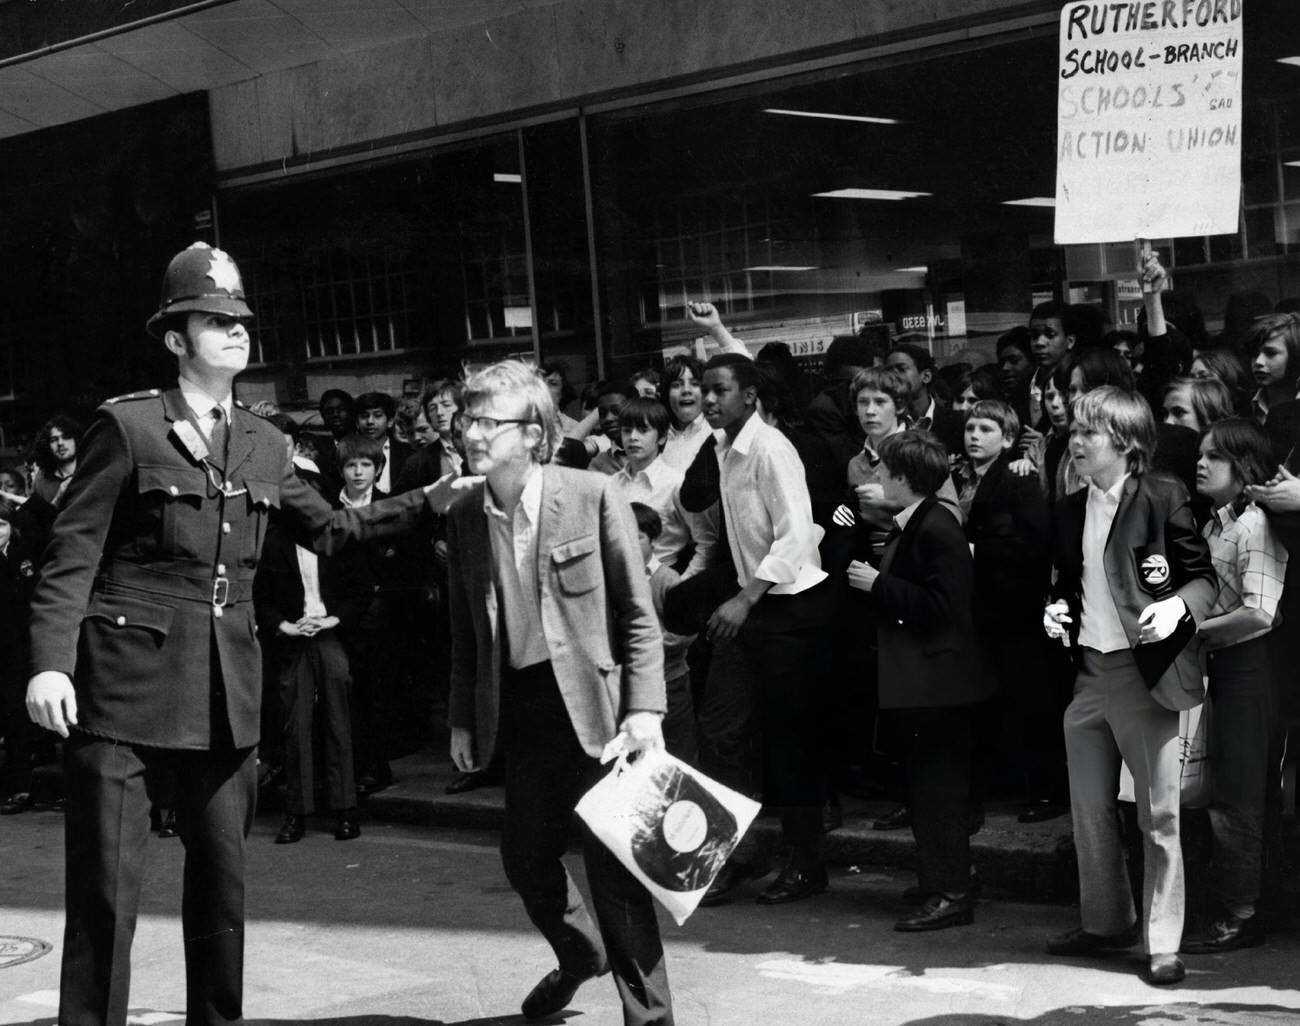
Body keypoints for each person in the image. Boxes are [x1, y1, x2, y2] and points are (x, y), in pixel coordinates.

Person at [20, 242, 459, 1026]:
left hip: (226, 686)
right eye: (214, 319)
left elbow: (327, 530)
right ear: (174, 338)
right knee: (107, 890)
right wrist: (51, 666)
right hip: (124, 682)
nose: (235, 330)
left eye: (241, 319)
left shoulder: (263, 441)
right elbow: (72, 553)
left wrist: (428, 500)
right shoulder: (127, 429)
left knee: (222, 882)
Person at [445, 360, 672, 1025]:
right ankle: (580, 956)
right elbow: (464, 634)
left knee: (618, 875)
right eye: (469, 419)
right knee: (525, 857)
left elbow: (636, 613)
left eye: (489, 421)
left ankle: (651, 1019)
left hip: (600, 711)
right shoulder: (462, 514)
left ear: (535, 433)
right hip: (523, 707)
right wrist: (462, 721)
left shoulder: (590, 493)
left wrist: (645, 710)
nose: (473, 433)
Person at [1043, 386, 1217, 987]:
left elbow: (1203, 580)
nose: (1076, 440)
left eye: (1088, 431)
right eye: (1075, 431)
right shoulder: (1066, 508)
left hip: (1146, 677)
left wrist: (1178, 610)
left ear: (1124, 439)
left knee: (1158, 815)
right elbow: (1068, 583)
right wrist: (1054, 611)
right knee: (1089, 811)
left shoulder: (1163, 494)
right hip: (1089, 674)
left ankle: (1163, 941)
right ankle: (1107, 923)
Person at [694, 353, 832, 905]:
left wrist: (746, 599)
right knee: (721, 730)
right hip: (749, 606)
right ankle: (736, 855)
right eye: (704, 390)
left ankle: (806, 863)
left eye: (719, 390)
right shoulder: (724, 449)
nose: (708, 400)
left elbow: (798, 534)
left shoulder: (771, 449)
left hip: (786, 609)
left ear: (748, 396)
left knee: (788, 743)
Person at [847, 431, 995, 930]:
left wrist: (879, 585)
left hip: (939, 686)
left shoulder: (936, 526)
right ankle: (940, 882)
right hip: (922, 684)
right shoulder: (913, 524)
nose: (876, 478)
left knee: (939, 792)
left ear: (906, 479)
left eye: (885, 471)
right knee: (926, 790)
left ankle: (953, 891)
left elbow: (945, 609)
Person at [1181, 418, 1286, 954]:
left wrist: (1193, 632)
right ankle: (1229, 906)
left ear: (1244, 469)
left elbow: (1261, 614)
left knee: (1239, 795)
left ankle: (1244, 915)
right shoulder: (1216, 523)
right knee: (1218, 790)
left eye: (1214, 457)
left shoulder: (1255, 525)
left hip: (1247, 669)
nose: (1201, 464)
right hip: (1219, 667)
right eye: (1200, 454)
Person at [30, 415, 82, 507]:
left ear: (76, 440)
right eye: (54, 440)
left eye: (66, 437)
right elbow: (40, 520)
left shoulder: (91, 471)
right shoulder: (42, 481)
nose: (60, 443)